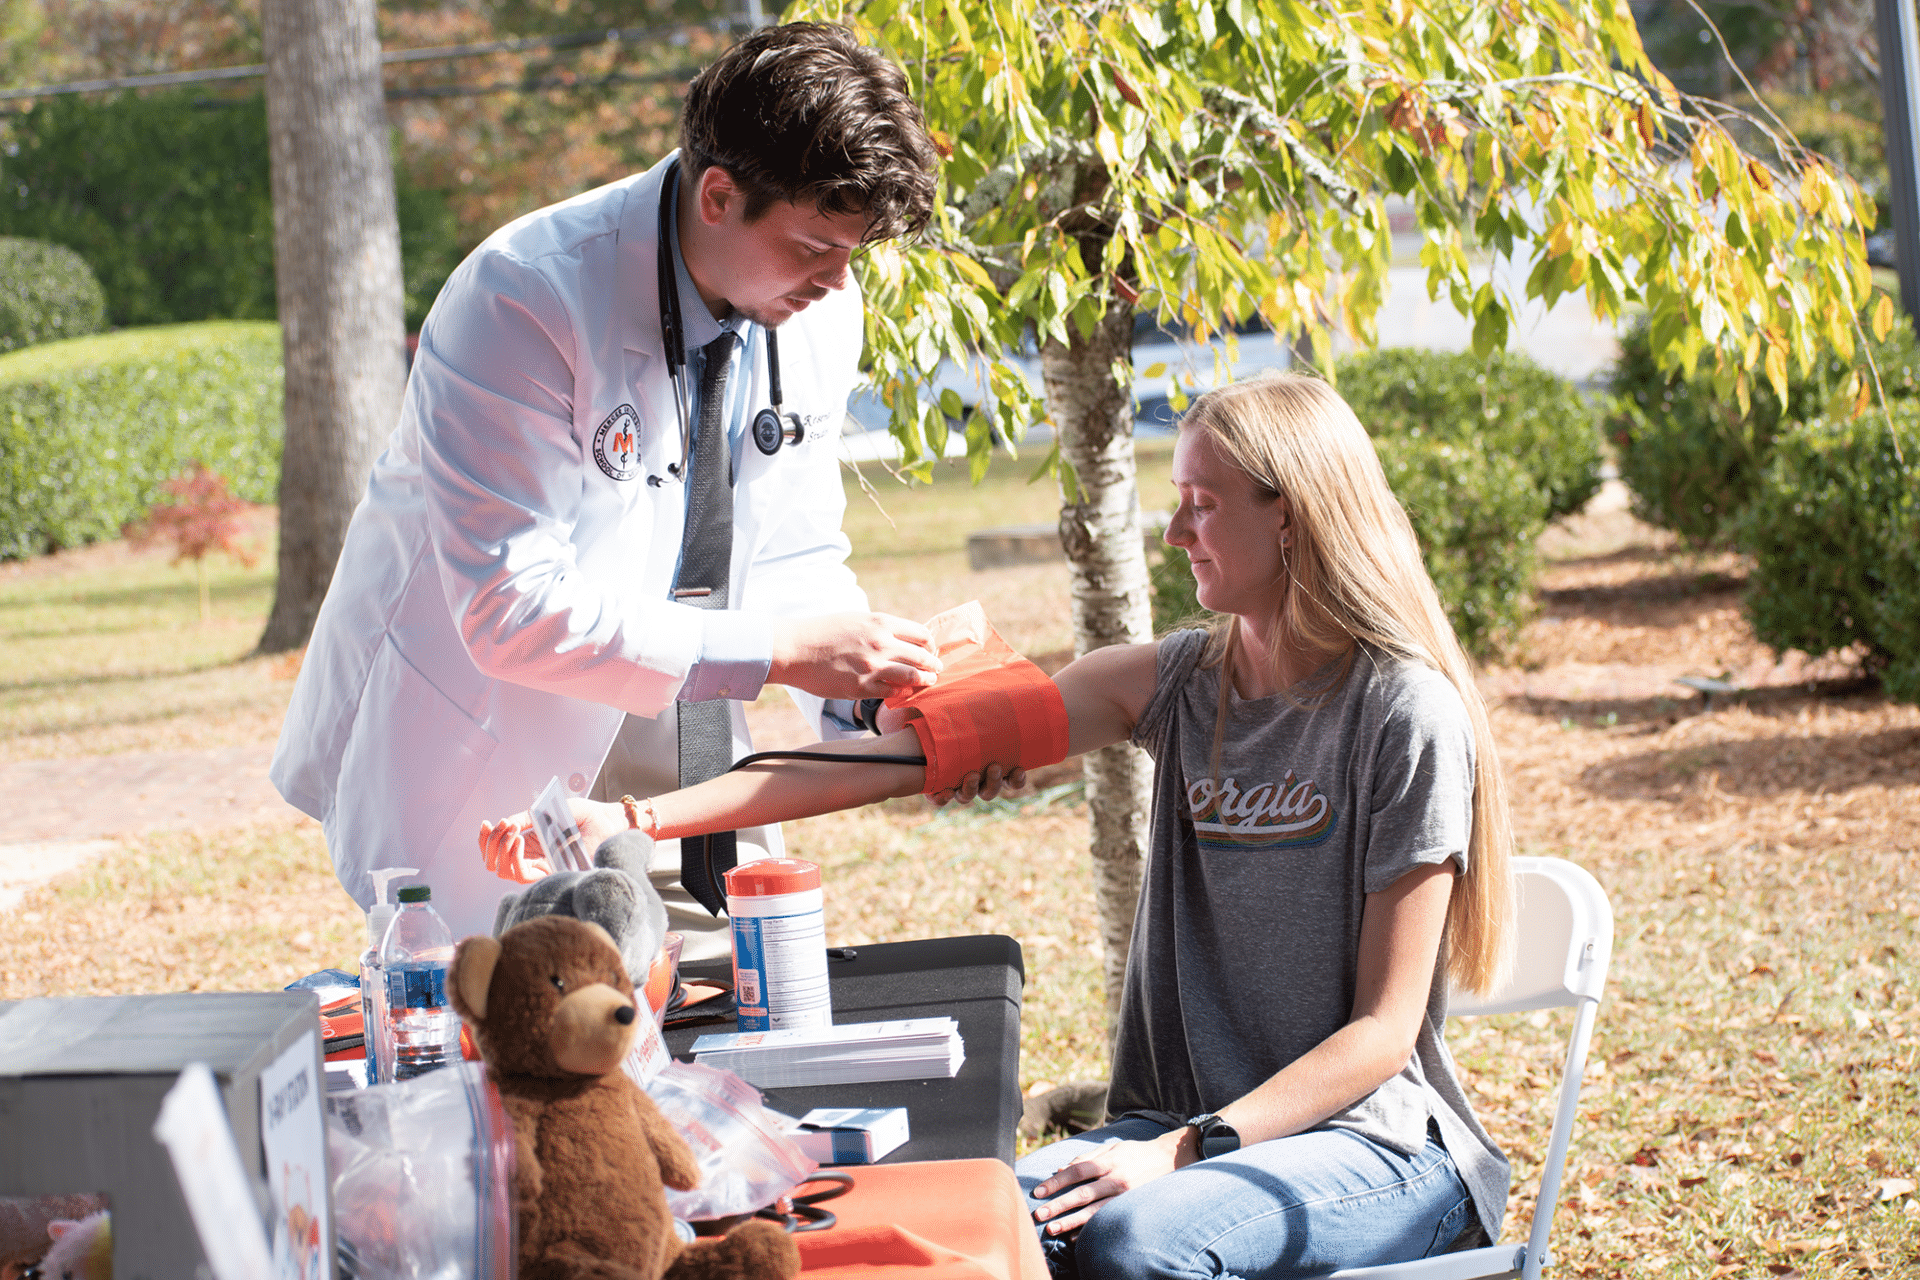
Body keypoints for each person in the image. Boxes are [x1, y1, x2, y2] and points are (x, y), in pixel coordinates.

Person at [477, 371, 1516, 1276]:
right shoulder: (1184, 682)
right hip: (1187, 1134)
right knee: (970, 1221)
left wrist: (1184, 1150)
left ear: (1290, 514)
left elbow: (1385, 1033)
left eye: (1201, 503)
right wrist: (632, 813)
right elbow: (884, 760)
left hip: (1377, 1145)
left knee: (1134, 1245)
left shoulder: (1401, 711)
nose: (1172, 529)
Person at [271, 22, 962, 958]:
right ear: (719, 194)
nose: (839, 281)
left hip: (702, 708)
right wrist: (783, 650)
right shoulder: (522, 298)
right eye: (813, 247)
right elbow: (512, 609)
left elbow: (793, 545)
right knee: (542, 1033)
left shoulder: (819, 304)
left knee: (735, 994)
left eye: (855, 251)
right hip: (504, 727)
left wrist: (871, 701)